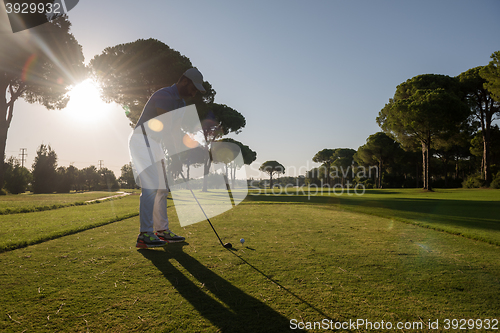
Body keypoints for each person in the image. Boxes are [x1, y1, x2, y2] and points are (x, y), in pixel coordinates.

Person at [132, 67, 206, 248]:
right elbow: (164, 128)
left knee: (162, 188)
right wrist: (174, 156)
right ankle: (144, 234)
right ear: (184, 81)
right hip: (143, 140)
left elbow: (174, 131)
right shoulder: (165, 94)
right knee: (151, 186)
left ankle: (161, 231)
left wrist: (178, 158)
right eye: (194, 87)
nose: (195, 92)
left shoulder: (180, 103)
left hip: (155, 143)